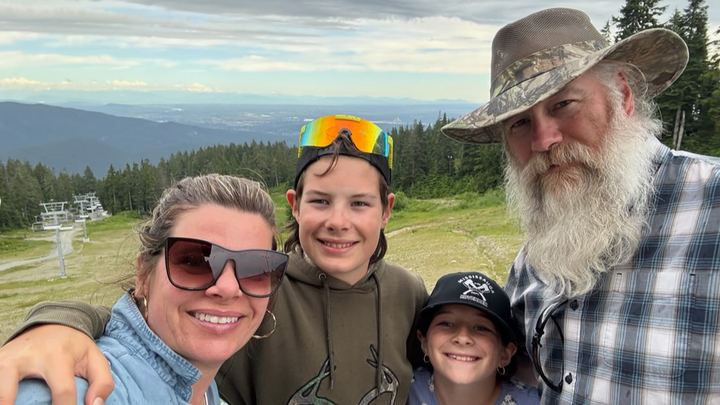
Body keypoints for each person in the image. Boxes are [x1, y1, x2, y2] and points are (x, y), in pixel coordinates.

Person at [0, 115, 428, 405]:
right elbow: (145, 323)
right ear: (295, 206)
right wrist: (57, 323)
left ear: (386, 211)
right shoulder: (266, 289)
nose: (338, 221)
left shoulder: (408, 294)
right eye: (194, 260)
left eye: (359, 203)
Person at [441, 7, 720, 404]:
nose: (543, 139)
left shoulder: (712, 205)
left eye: (564, 104)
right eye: (519, 123)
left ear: (622, 95)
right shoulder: (533, 261)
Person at [11, 174, 289, 404]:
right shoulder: (86, 389)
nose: (228, 288)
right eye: (194, 261)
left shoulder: (202, 386)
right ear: (143, 275)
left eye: (255, 269)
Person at [409, 271, 539, 405]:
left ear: (505, 354)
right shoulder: (402, 390)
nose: (463, 337)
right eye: (446, 323)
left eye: (481, 328)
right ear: (424, 342)